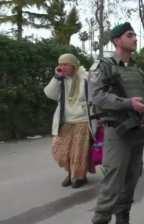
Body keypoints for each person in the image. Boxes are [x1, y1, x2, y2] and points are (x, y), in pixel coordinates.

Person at [88, 22, 144, 224]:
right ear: (117, 40)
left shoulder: (137, 70)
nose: (135, 38)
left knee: (132, 178)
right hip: (117, 131)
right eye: (129, 35)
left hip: (137, 129)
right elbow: (96, 97)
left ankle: (123, 218)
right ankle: (100, 220)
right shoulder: (103, 66)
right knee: (113, 182)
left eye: (134, 35)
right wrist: (128, 103)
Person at [44, 53, 90, 188]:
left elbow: (94, 95)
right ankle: (70, 172)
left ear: (73, 65)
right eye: (60, 64)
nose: (61, 67)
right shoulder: (60, 79)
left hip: (82, 120)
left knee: (78, 151)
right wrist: (56, 78)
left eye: (65, 64)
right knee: (61, 149)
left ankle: (78, 177)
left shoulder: (85, 77)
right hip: (65, 121)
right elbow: (50, 94)